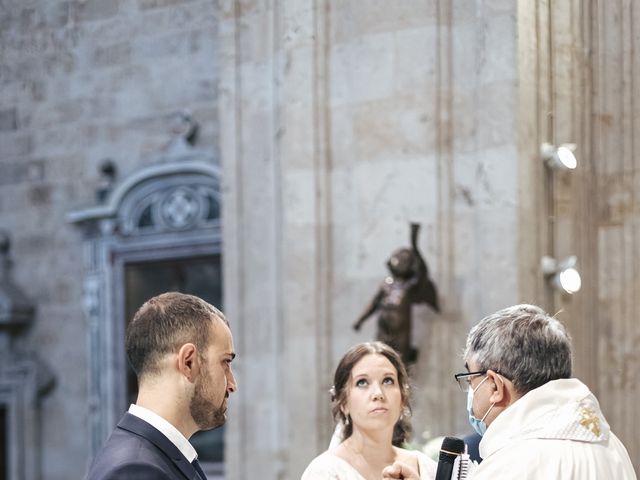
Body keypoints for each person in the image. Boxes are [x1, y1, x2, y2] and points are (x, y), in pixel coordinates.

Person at [383, 304, 637, 480]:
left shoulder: (516, 463)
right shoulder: (613, 446)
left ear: (495, 385)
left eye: (470, 378)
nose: (470, 390)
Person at [85, 292, 237, 480]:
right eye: (225, 362)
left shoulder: (159, 457)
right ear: (188, 362)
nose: (232, 384)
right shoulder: (135, 471)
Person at [302, 341, 437, 480]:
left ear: (403, 397)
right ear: (343, 403)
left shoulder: (427, 469)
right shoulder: (323, 472)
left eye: (388, 381)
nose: (378, 393)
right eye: (362, 382)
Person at [353, 223, 439, 365]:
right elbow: (374, 304)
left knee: (399, 366)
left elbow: (422, 272)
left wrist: (415, 244)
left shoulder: (409, 286)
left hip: (400, 335)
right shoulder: (387, 284)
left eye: (403, 259)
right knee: (380, 362)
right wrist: (361, 320)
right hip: (383, 331)